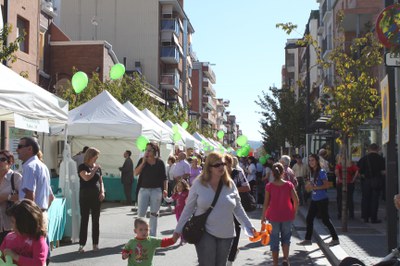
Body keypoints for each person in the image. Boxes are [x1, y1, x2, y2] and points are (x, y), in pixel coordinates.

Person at [173, 152, 255, 266]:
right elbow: (188, 208)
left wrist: (249, 226)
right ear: (209, 168)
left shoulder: (230, 184)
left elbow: (238, 208)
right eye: (217, 165)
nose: (221, 167)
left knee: (220, 264)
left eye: (223, 164)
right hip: (204, 231)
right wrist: (178, 230)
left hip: (227, 234)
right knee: (207, 263)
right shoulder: (199, 183)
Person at [262, 162, 299, 266]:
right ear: (283, 172)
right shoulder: (289, 185)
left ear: (272, 174)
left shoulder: (269, 186)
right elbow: (296, 201)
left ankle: (275, 263)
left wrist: (263, 217)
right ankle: (286, 259)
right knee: (286, 238)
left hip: (273, 216)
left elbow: (265, 204)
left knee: (274, 240)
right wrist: (294, 213)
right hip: (287, 215)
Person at [298, 154, 339, 246]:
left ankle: (335, 238)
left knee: (325, 220)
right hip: (315, 199)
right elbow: (313, 185)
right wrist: (309, 186)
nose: (311, 162)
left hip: (322, 199)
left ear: (317, 161)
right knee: (309, 218)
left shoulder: (321, 171)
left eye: (312, 160)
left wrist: (315, 187)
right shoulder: (312, 172)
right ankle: (308, 239)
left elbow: (327, 185)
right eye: (309, 160)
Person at [0, 199, 48, 266]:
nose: (12, 225)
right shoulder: (9, 237)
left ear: (25, 224)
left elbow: (38, 263)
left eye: (14, 222)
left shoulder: (37, 240)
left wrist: (16, 256)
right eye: (12, 221)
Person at [135, 142, 167, 237]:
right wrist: (143, 162)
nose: (147, 152)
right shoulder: (142, 160)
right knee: (141, 213)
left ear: (155, 152)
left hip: (156, 190)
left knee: (154, 214)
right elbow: (135, 173)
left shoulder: (160, 163)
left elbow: (164, 178)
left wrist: (165, 190)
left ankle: (152, 235)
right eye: (146, 150)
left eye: (149, 150)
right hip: (144, 189)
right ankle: (140, 234)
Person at [224, 154, 251, 266]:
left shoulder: (238, 173)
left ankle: (230, 260)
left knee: (234, 234)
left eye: (225, 164)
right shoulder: (218, 175)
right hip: (222, 210)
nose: (223, 167)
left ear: (230, 164)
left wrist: (233, 190)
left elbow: (247, 187)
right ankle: (228, 254)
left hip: (235, 207)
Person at [77, 147, 105, 253]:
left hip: (96, 197)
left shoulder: (98, 168)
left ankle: (95, 244)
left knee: (96, 220)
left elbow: (101, 181)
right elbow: (86, 177)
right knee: (84, 220)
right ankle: (82, 244)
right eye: (96, 155)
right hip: (85, 197)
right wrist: (94, 169)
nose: (97, 158)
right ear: (90, 156)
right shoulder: (82, 167)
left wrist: (102, 191)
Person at [357, 143, 385, 223]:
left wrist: (363, 176)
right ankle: (373, 218)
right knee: (375, 200)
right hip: (376, 181)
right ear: (377, 149)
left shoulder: (364, 159)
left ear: (369, 149)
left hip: (366, 181)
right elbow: (383, 172)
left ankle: (365, 217)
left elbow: (358, 172)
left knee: (365, 199)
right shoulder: (381, 159)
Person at [0, 150, 22, 245]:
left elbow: (25, 197)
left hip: (11, 226)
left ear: (10, 162)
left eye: (2, 159)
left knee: (9, 256)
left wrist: (7, 197)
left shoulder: (16, 177)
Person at [335, 155, 358, 219]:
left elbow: (336, 172)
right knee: (350, 198)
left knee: (340, 198)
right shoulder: (350, 165)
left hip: (341, 183)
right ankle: (351, 214)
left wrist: (339, 179)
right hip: (350, 183)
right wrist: (353, 179)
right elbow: (357, 171)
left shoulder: (339, 165)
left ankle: (340, 213)